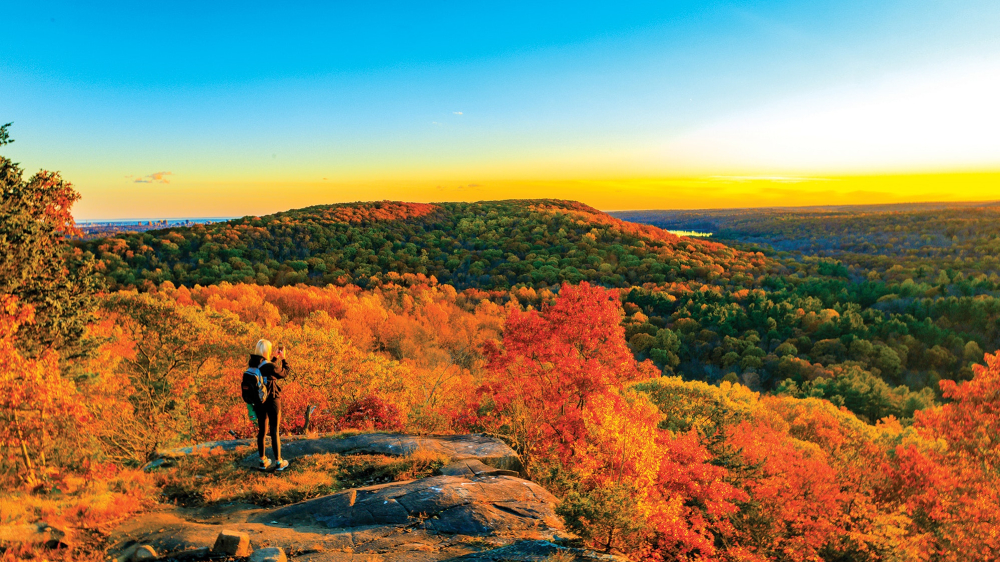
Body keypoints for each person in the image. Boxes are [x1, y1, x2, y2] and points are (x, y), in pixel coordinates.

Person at [249, 338, 291, 470]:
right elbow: (284, 373)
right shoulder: (270, 367)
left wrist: (274, 358)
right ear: (267, 351)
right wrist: (283, 358)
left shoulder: (253, 365)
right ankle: (279, 462)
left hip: (259, 402)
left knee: (262, 431)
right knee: (274, 430)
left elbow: (266, 369)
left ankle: (262, 461)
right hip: (272, 400)